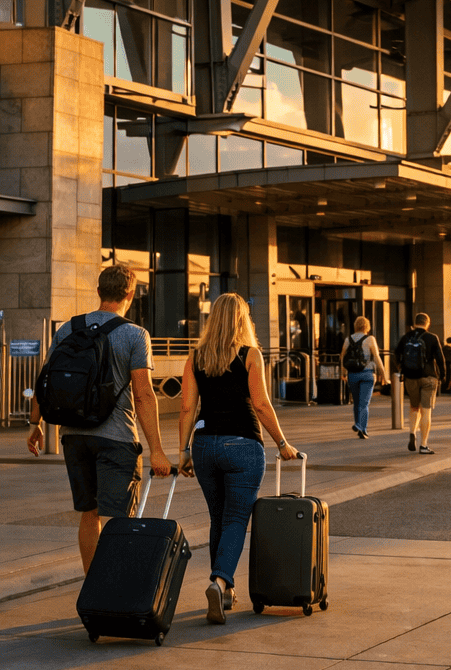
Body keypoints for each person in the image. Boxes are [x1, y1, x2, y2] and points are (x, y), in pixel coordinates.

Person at [26, 263, 171, 574]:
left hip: (74, 437)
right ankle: (115, 589)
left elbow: (46, 380)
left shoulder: (68, 328)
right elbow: (144, 394)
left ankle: (93, 584)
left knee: (89, 513)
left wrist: (35, 424)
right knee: (120, 517)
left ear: (98, 292)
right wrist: (156, 448)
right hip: (116, 438)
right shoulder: (134, 334)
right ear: (130, 294)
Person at [178, 293, 299, 624]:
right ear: (242, 319)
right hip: (243, 445)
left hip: (204, 446)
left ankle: (226, 591)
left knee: (218, 517)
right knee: (235, 520)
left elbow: (187, 407)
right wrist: (282, 443)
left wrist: (184, 451)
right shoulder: (250, 355)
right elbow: (260, 404)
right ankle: (219, 582)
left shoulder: (195, 357)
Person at [394, 313, 446, 455]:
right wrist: (443, 376)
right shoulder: (432, 338)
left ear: (415, 323)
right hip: (429, 378)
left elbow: (396, 354)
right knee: (426, 411)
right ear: (427, 323)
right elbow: (440, 359)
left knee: (414, 407)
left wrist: (401, 368)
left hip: (411, 377)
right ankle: (423, 445)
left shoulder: (406, 337)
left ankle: (412, 432)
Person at [341, 316, 389, 438]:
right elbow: (377, 358)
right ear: (366, 327)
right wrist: (383, 374)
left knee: (356, 403)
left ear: (356, 326)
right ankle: (362, 427)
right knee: (364, 403)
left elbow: (342, 357)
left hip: (352, 375)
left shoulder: (348, 339)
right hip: (367, 374)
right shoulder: (370, 339)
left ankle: (359, 425)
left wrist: (343, 373)